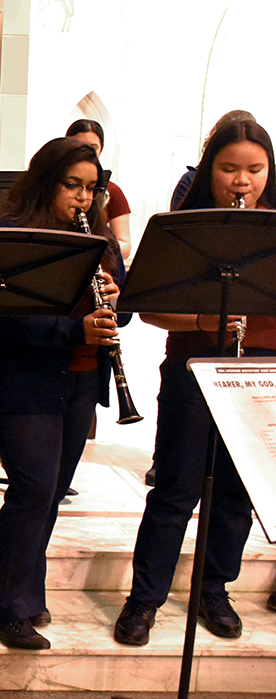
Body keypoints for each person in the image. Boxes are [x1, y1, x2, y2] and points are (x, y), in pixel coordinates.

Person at [114, 119, 275, 647]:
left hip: (259, 375)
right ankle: (144, 600)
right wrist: (205, 323)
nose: (242, 181)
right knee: (176, 489)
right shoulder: (184, 228)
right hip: (193, 373)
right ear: (210, 171)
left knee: (234, 493)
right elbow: (149, 307)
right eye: (229, 169)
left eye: (254, 169)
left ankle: (214, 589)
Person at [0, 137, 125, 650]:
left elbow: (120, 313)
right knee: (33, 488)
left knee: (53, 493)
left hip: (81, 379)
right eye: (72, 186)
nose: (83, 199)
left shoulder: (99, 238)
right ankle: (9, 608)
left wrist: (115, 299)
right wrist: (73, 330)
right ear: (47, 182)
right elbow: (7, 320)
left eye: (91, 188)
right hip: (23, 379)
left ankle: (28, 589)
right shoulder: (12, 236)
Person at [66, 119, 132, 259]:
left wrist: (95, 247)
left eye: (93, 147)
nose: (83, 196)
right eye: (72, 185)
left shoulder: (113, 191)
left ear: (101, 148)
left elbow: (125, 246)